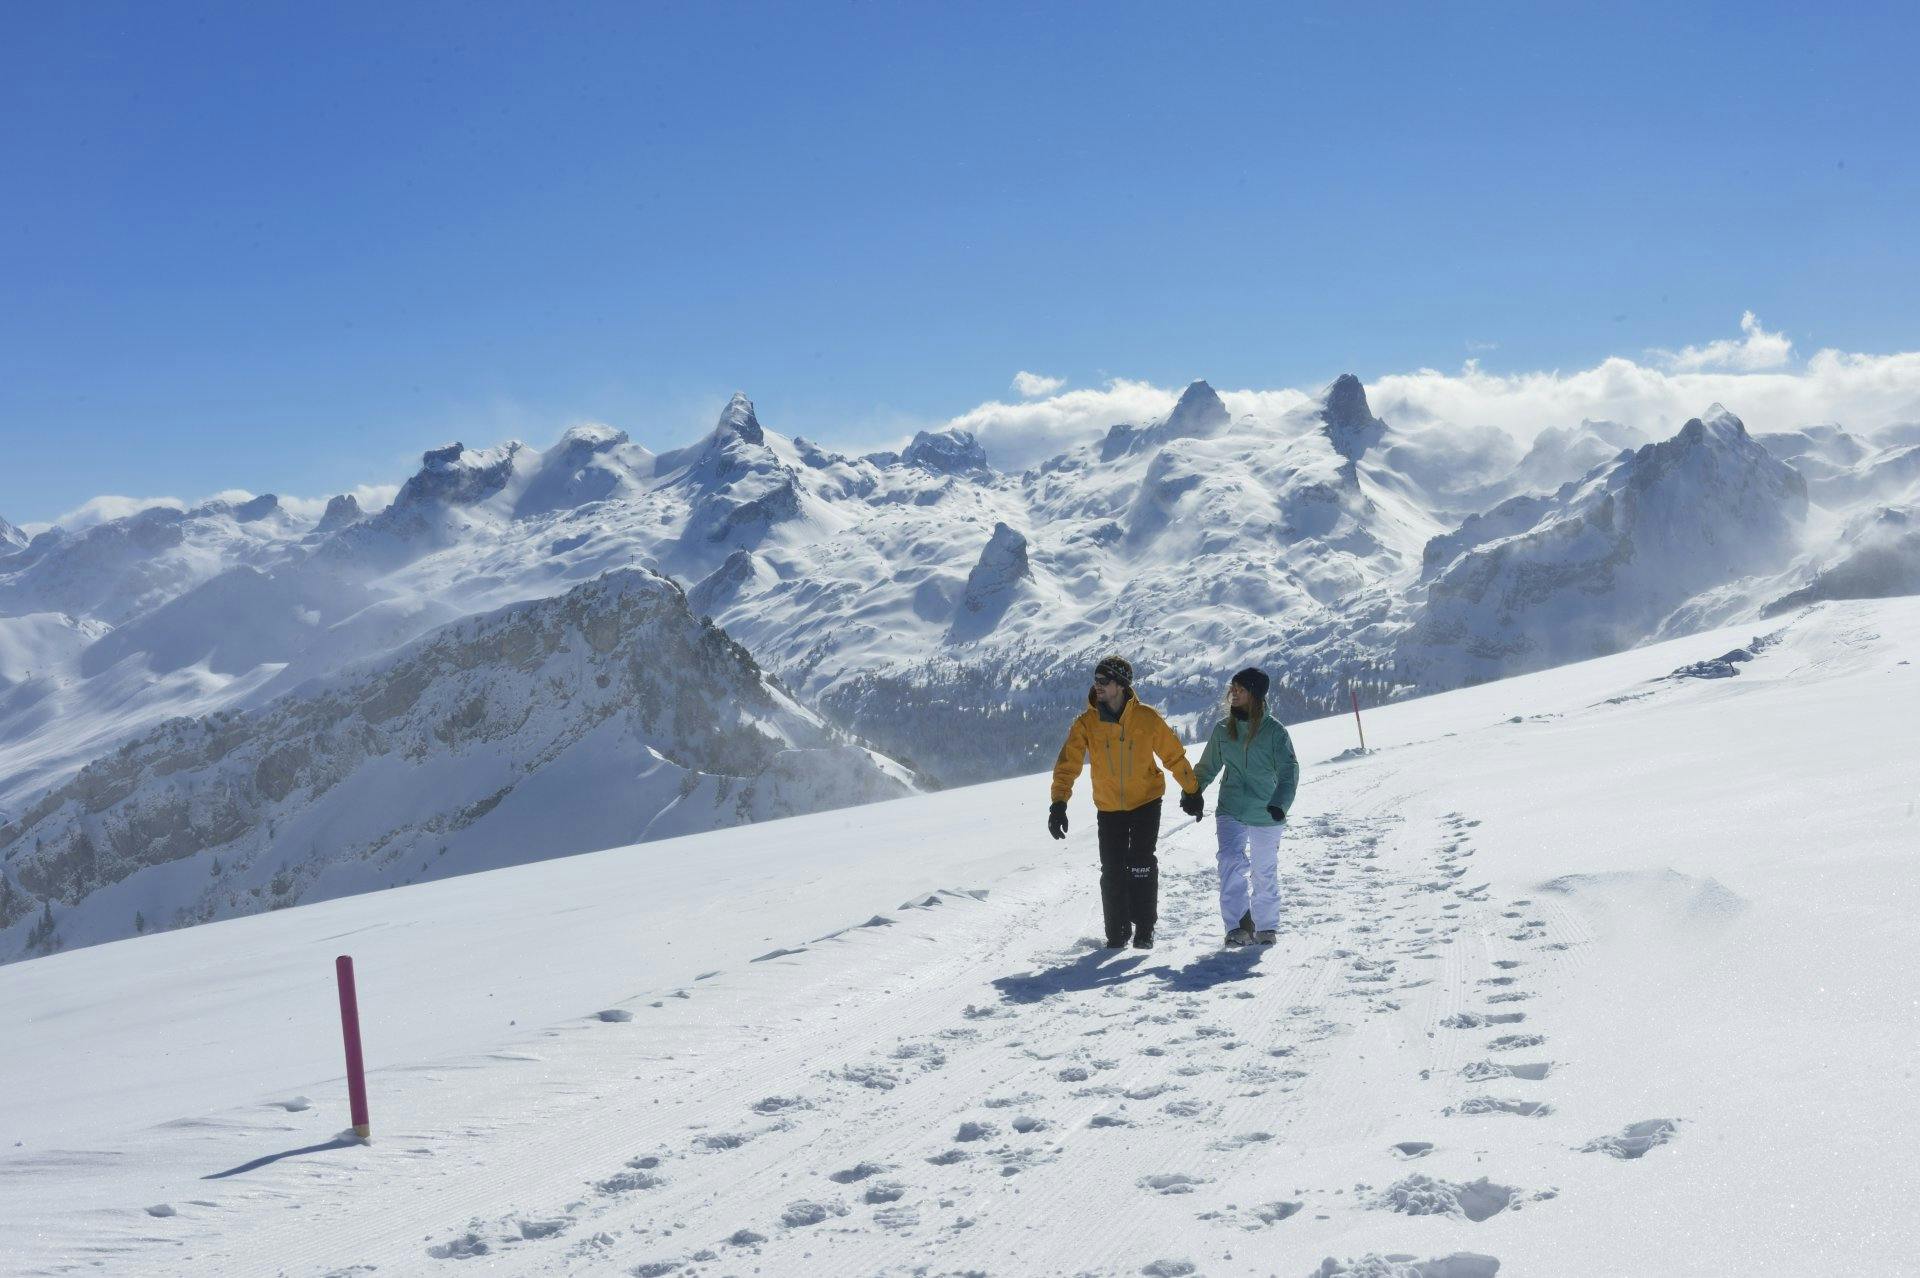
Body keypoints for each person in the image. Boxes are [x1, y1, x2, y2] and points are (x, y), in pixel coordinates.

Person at [1048, 654, 1203, 950]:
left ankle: (1144, 927)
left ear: (1121, 684)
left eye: (1104, 680)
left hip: (1146, 800)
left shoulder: (1146, 718)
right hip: (1109, 807)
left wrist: (1192, 791)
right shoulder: (1087, 723)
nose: (1097, 685)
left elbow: (1173, 755)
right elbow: (1067, 765)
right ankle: (1117, 932)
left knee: (1141, 863)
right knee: (1112, 870)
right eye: (1095, 680)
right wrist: (1059, 804)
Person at [1190, 667, 1299, 947]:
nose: (1234, 694)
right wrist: (1193, 792)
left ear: (1255, 694)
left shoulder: (1274, 732)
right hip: (1231, 808)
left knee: (1263, 870)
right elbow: (1207, 766)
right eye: (1232, 689)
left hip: (1266, 809)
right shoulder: (1222, 730)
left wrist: (1280, 803)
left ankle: (1265, 926)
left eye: (1240, 689)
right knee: (1229, 861)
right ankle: (1237, 927)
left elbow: (1288, 771)